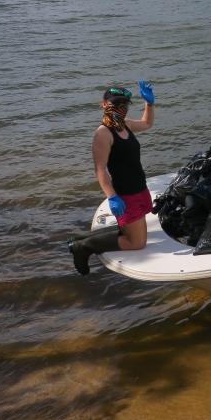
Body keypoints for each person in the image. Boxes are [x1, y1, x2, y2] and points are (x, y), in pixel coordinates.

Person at [68, 81, 156, 275]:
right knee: (137, 243)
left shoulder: (126, 125)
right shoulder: (103, 134)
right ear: (104, 104)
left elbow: (147, 123)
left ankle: (81, 237)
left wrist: (149, 104)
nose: (119, 108)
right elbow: (100, 169)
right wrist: (112, 197)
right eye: (114, 104)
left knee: (136, 230)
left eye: (123, 104)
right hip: (125, 194)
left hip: (139, 188)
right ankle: (83, 247)